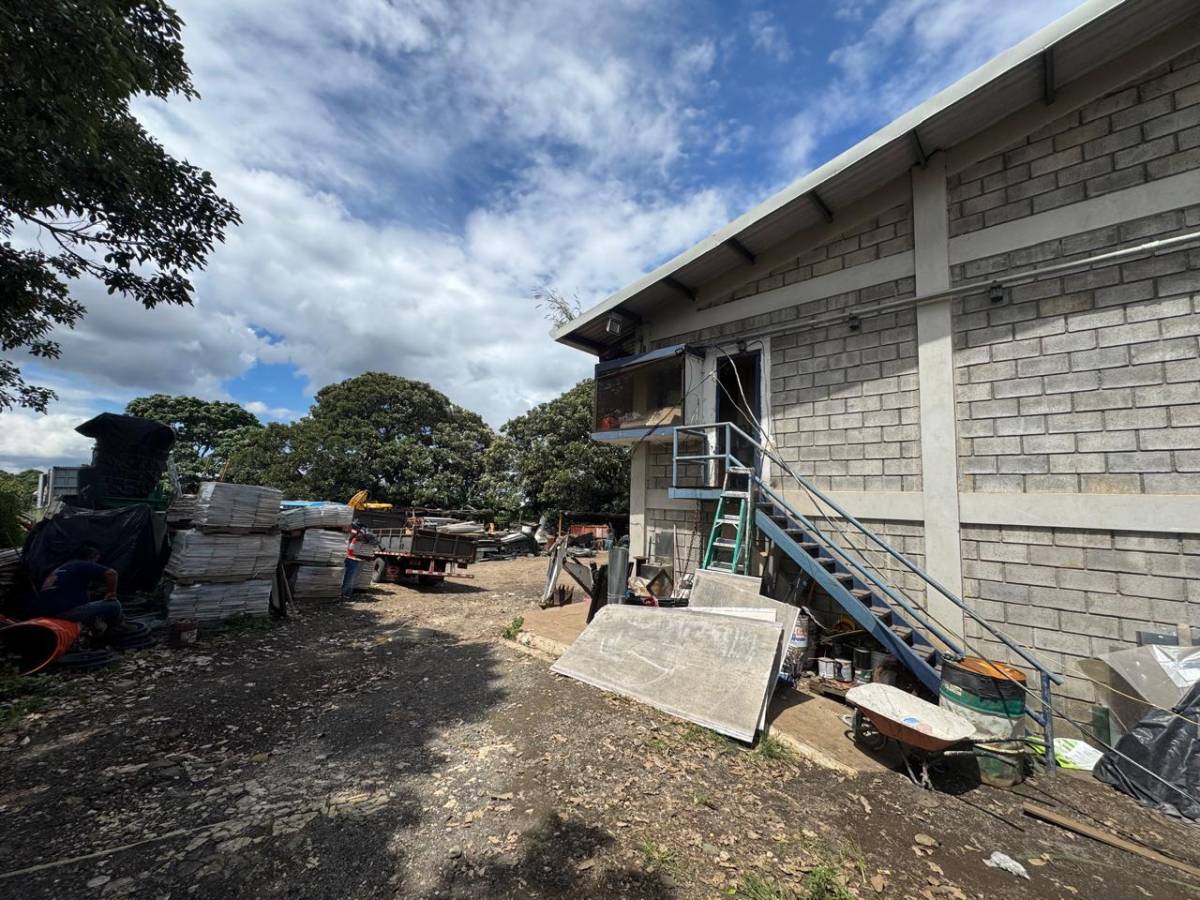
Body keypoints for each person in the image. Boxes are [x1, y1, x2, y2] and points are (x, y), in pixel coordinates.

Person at [31, 543, 125, 632]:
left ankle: (95, 629)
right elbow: (111, 573)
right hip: (63, 612)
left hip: (44, 612)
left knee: (87, 601)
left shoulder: (64, 567)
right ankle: (118, 631)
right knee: (114, 604)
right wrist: (111, 593)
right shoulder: (83, 564)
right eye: (96, 559)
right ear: (92, 557)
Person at [340, 523, 365, 600]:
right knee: (350, 577)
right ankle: (347, 593)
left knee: (348, 577)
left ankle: (345, 593)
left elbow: (351, 548)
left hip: (351, 559)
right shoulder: (357, 537)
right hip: (352, 559)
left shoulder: (356, 537)